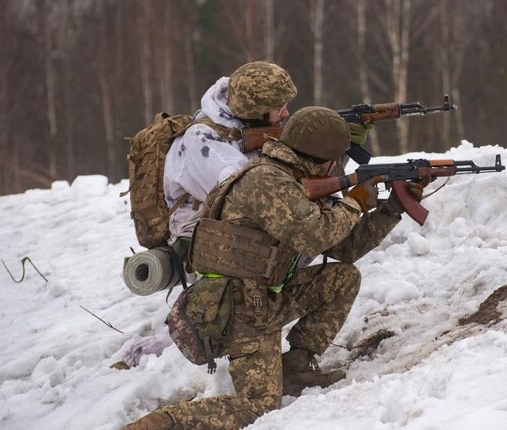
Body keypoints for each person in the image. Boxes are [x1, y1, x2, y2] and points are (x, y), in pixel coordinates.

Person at [121, 107, 425, 430]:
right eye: (334, 159)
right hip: (236, 312)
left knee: (342, 279)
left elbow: (345, 246)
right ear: (319, 158)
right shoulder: (266, 183)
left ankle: (294, 369)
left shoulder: (293, 179)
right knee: (258, 407)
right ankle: (164, 423)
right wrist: (355, 202)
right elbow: (315, 234)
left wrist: (393, 208)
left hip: (262, 298)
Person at [116, 61, 372, 368]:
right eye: (279, 108)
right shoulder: (203, 142)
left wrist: (334, 146)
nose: (285, 114)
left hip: (229, 237)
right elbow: (262, 195)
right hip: (202, 247)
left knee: (304, 233)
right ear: (256, 108)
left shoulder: (242, 126)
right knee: (297, 232)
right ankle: (163, 349)